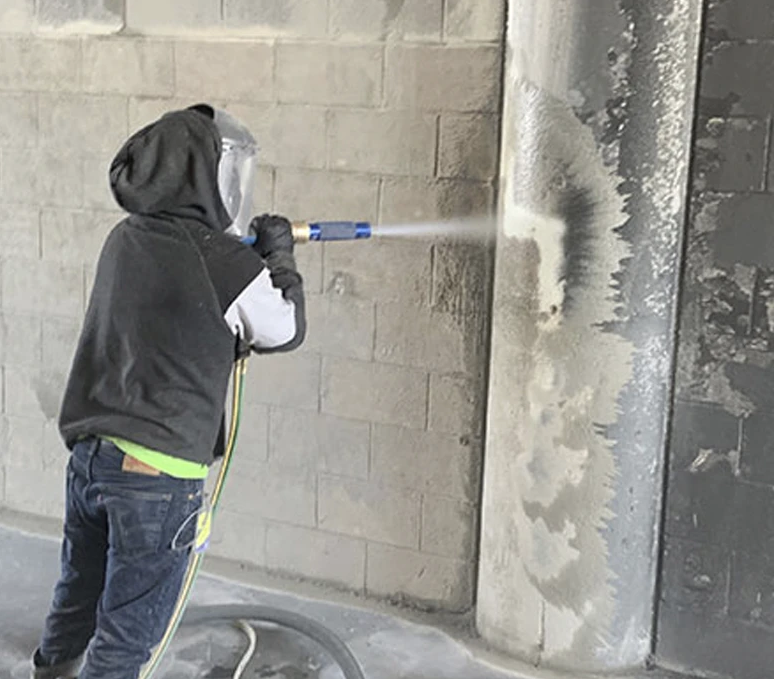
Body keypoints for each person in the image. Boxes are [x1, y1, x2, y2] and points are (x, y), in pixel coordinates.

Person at [30, 104, 305, 679]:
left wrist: (246, 266)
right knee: (128, 637)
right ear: (202, 175)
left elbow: (177, 307)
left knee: (78, 592)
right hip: (157, 478)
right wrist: (280, 261)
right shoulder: (226, 261)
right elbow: (284, 329)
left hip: (91, 458)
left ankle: (50, 672)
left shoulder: (126, 238)